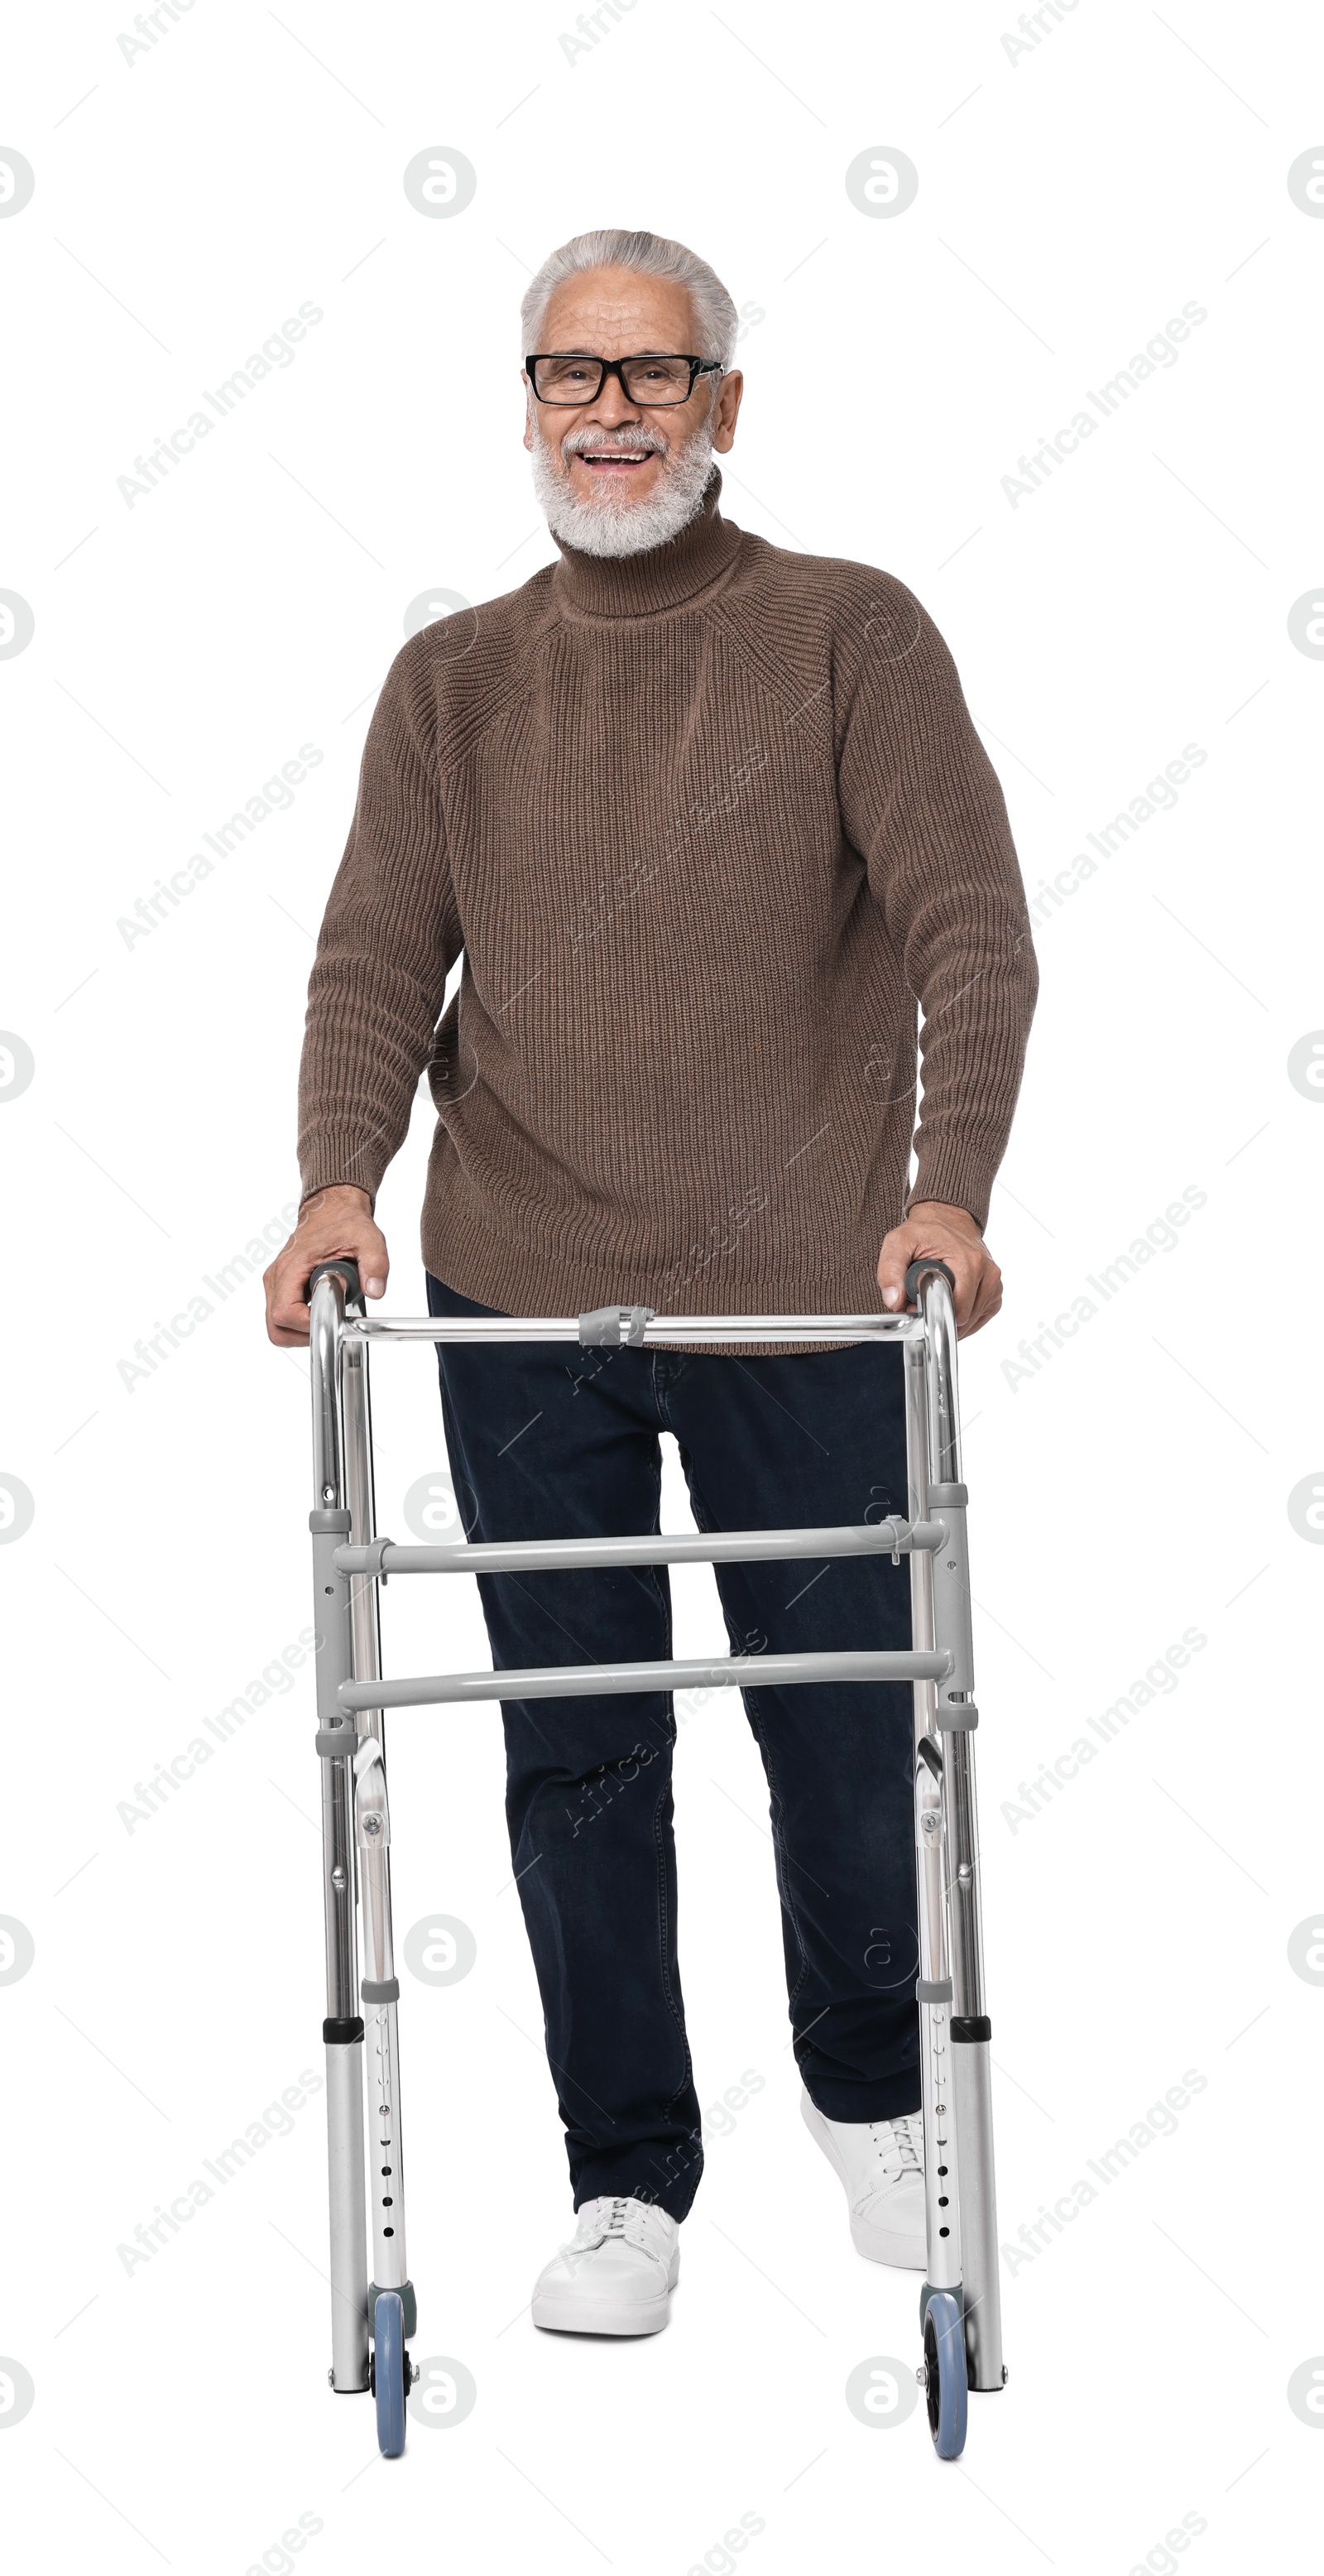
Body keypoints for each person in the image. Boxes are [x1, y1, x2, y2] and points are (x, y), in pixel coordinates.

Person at [265, 226, 1037, 2340]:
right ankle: (626, 2175)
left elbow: (968, 922)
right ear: (525, 401)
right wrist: (339, 1180)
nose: (609, 410)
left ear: (723, 403)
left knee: (837, 1722)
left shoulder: (844, 635)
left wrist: (942, 1191)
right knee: (579, 1750)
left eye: (653, 374)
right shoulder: (454, 681)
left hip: (798, 1293)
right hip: (519, 1301)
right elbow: (369, 957)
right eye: (570, 374)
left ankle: (875, 2098)